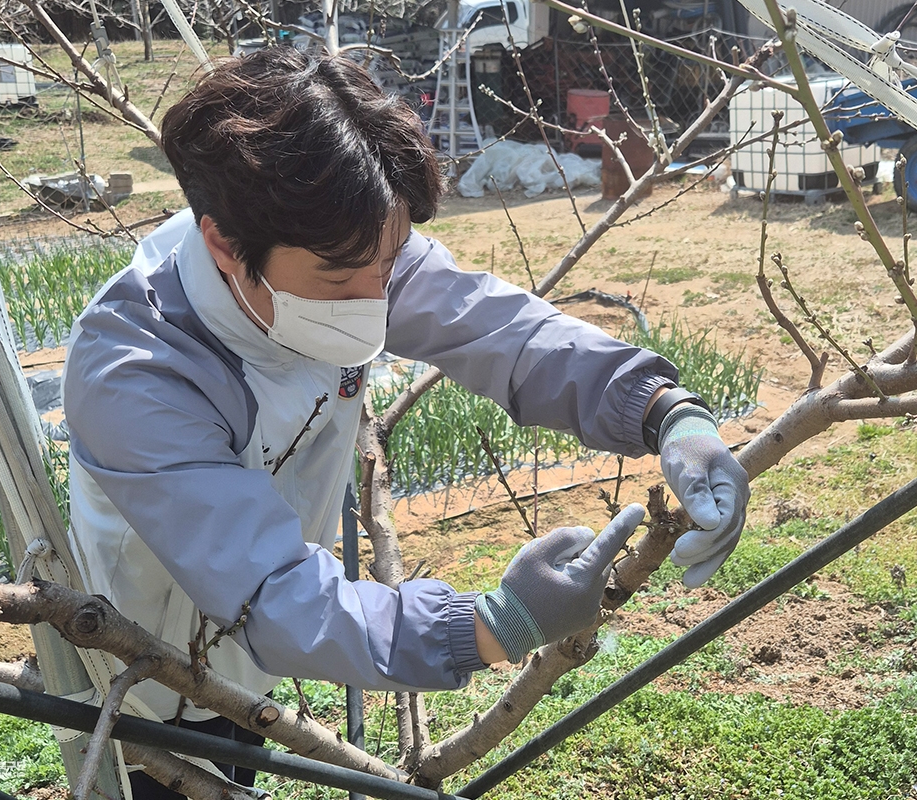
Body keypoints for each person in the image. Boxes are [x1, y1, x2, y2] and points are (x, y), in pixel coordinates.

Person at [62, 46, 749, 798]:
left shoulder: (352, 244)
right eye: (339, 280)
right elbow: (273, 592)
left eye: (388, 267)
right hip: (148, 672)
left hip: (257, 654)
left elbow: (500, 331)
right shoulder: (138, 372)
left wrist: (663, 410)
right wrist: (493, 628)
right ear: (224, 244)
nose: (374, 300)